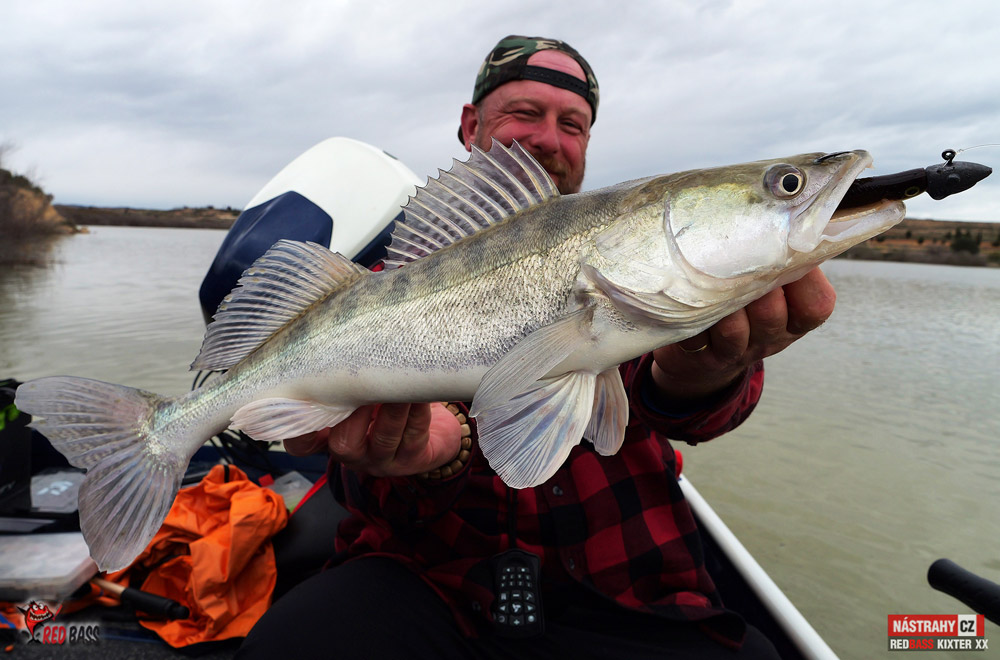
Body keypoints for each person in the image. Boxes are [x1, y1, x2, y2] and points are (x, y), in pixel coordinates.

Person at [237, 35, 836, 659]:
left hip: (630, 584)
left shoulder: (641, 264)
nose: (549, 138)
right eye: (525, 113)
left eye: (572, 124)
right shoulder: (384, 290)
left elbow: (697, 414)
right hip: (434, 580)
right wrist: (430, 461)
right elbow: (353, 480)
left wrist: (701, 373)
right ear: (471, 125)